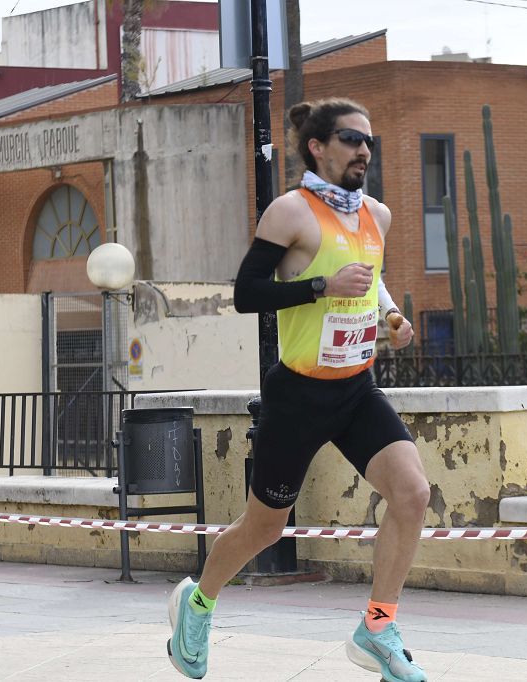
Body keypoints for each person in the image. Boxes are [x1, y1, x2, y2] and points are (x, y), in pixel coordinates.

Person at [167, 97, 430, 682]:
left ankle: (378, 627)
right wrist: (320, 285)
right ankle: (199, 602)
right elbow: (247, 293)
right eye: (350, 139)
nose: (364, 150)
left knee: (412, 494)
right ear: (317, 146)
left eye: (369, 142)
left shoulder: (376, 216)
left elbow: (372, 277)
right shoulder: (291, 211)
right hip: (299, 394)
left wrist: (391, 317)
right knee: (264, 527)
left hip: (356, 389)